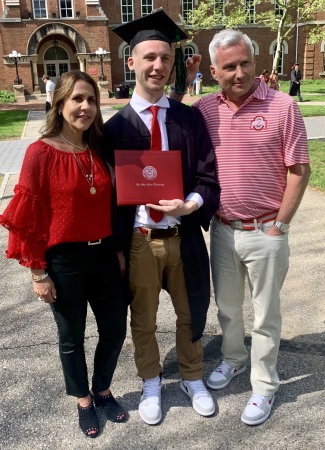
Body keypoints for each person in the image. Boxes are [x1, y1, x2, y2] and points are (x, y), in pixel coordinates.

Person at [171, 29, 310, 426]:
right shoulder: (204, 110)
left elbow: (299, 170)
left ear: (255, 61)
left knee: (266, 314)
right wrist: (181, 83)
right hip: (222, 229)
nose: (238, 72)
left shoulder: (283, 107)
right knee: (228, 307)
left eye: (245, 62)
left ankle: (264, 385)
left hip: (266, 230)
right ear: (213, 71)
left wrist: (280, 225)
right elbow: (173, 120)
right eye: (228, 66)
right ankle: (233, 359)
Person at [105, 10, 220, 425]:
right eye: (149, 57)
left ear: (173, 64)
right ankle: (151, 381)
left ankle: (193, 376)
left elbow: (208, 175)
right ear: (131, 62)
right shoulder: (114, 128)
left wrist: (190, 204)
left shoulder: (188, 119)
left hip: (183, 233)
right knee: (145, 318)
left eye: (165, 58)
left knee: (191, 311)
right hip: (139, 239)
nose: (158, 65)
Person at [0, 70, 128, 438]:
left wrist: (116, 249)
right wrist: (38, 273)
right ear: (59, 104)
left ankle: (102, 388)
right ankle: (84, 399)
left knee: (115, 329)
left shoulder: (97, 148)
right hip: (64, 261)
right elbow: (30, 218)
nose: (85, 107)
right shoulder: (39, 154)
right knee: (71, 337)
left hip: (103, 256)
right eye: (77, 99)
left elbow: (111, 206)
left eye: (91, 100)